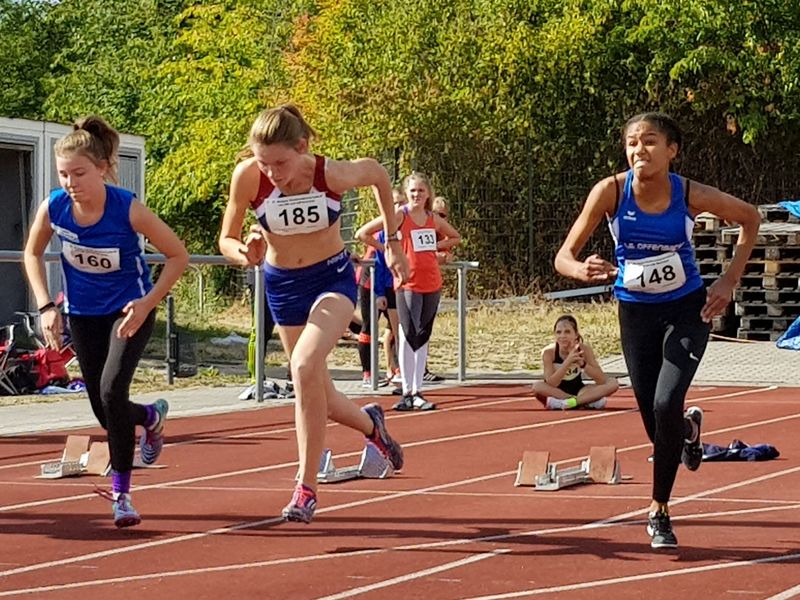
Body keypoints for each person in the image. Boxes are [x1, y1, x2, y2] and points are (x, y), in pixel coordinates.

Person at [554, 112, 759, 549]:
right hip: (636, 314)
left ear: (671, 150)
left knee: (667, 401)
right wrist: (579, 269)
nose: (639, 150)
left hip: (687, 309)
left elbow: (750, 218)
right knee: (655, 423)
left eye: (649, 141)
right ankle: (687, 431)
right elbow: (563, 256)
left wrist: (728, 280)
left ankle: (659, 510)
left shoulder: (689, 193)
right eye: (632, 142)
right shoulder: (610, 191)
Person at [218, 104, 408, 524]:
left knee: (302, 367)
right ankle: (372, 426)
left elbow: (378, 174)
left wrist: (393, 243)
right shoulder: (248, 176)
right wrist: (245, 253)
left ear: (302, 147)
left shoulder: (330, 174)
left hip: (331, 279)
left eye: (280, 163)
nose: (272, 173)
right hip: (283, 286)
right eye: (264, 163)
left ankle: (306, 488)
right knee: (319, 392)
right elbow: (226, 239)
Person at [23, 115, 189, 528]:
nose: (70, 183)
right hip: (83, 314)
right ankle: (150, 417)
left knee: (113, 390)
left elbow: (177, 255)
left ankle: (122, 495)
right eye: (63, 174)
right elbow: (31, 253)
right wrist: (46, 306)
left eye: (79, 173)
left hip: (128, 311)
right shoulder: (55, 207)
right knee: (103, 407)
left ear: (101, 168)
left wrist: (148, 303)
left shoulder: (127, 208)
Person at [356, 172, 460, 411]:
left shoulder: (432, 218)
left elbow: (455, 237)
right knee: (407, 334)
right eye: (412, 191)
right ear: (406, 193)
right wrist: (388, 249)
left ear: (428, 194)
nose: (417, 195)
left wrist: (436, 246)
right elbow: (362, 233)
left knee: (423, 336)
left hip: (432, 282)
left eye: (421, 191)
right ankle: (406, 392)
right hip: (407, 283)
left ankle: (417, 390)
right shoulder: (399, 215)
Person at [531, 315, 619, 410]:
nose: (562, 336)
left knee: (613, 383)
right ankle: (584, 401)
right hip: (557, 392)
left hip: (580, 390)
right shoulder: (549, 353)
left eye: (567, 332)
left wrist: (583, 364)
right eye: (559, 332)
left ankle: (573, 402)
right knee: (537, 386)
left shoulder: (584, 350)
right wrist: (568, 362)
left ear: (576, 334)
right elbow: (552, 383)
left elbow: (601, 380)